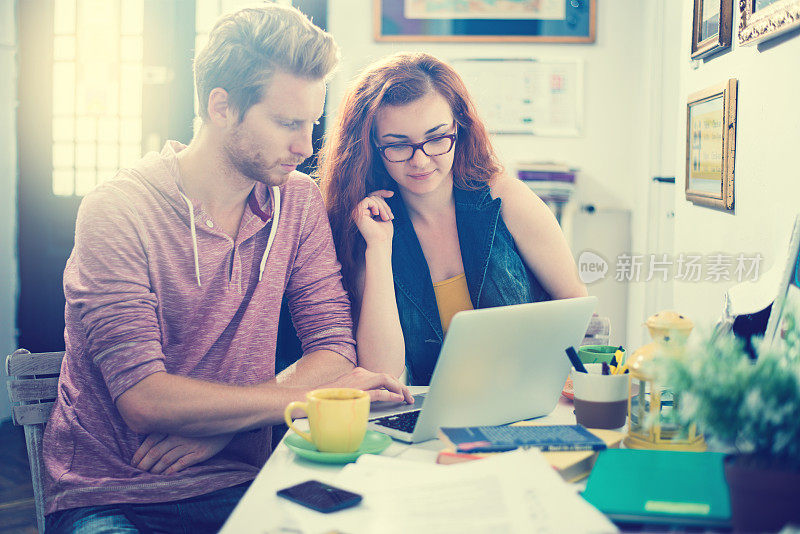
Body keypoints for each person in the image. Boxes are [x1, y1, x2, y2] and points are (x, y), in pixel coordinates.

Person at [43, 6, 411, 533]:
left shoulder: (297, 202)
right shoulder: (117, 210)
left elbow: (334, 349)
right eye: (287, 123)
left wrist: (223, 430)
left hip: (248, 479)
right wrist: (299, 400)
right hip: (114, 494)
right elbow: (145, 400)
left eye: (311, 123)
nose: (305, 148)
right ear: (222, 106)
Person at [320, 53, 588, 386]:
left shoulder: (507, 200)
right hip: (429, 416)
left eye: (435, 138)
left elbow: (576, 309)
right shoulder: (369, 226)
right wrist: (378, 249)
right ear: (373, 146)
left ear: (458, 128)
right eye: (398, 145)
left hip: (524, 403)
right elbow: (382, 373)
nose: (420, 161)